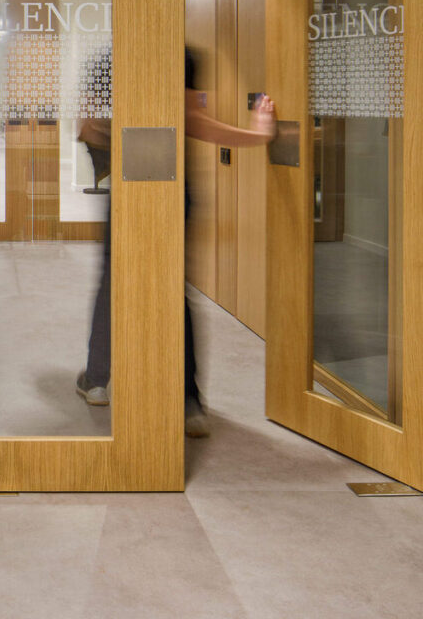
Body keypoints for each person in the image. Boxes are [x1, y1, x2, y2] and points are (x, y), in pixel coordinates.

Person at [76, 47, 276, 437]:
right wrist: (257, 135)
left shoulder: (109, 58)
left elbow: (87, 127)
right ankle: (187, 402)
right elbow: (193, 120)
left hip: (128, 184)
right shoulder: (179, 53)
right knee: (174, 288)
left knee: (112, 283)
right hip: (173, 188)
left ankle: (97, 380)